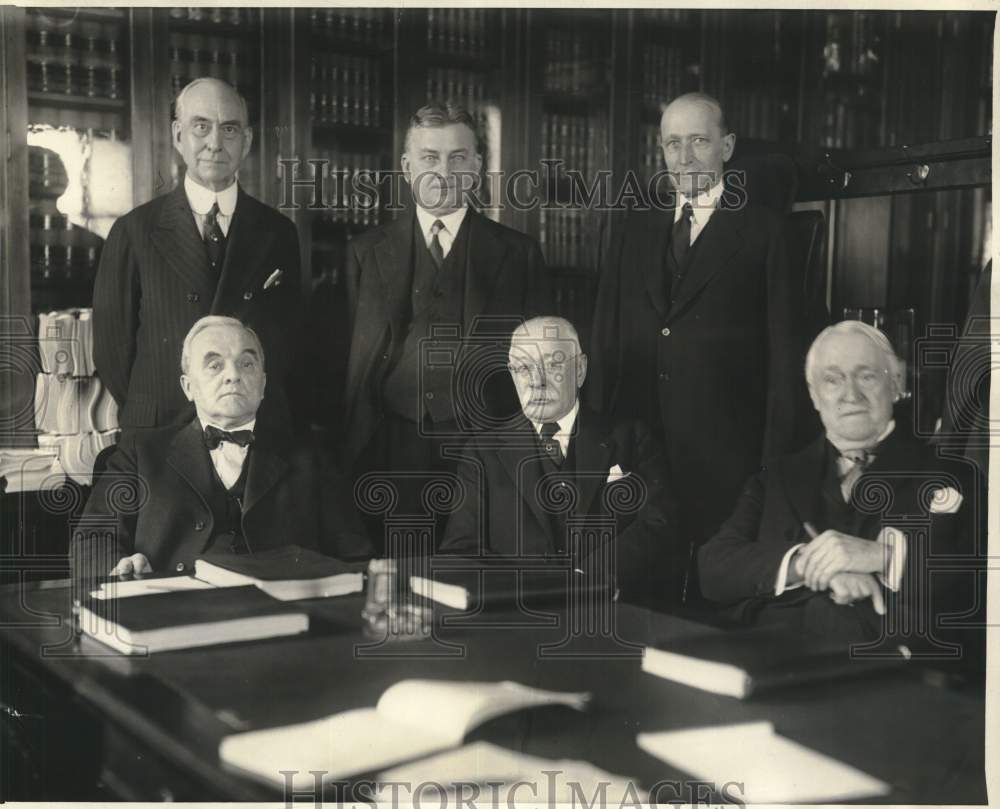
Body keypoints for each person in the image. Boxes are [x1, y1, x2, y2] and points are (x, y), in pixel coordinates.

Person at [587, 92, 813, 596]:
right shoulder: (632, 229)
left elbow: (785, 362)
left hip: (726, 457)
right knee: (639, 591)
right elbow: (604, 343)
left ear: (726, 147)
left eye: (698, 142)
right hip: (640, 452)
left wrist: (773, 466)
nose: (684, 157)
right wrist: (599, 441)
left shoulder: (767, 232)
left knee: (711, 592)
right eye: (673, 144)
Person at [343, 103, 551, 538]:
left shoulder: (519, 254)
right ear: (407, 167)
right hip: (391, 451)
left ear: (476, 167)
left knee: (473, 568)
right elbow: (345, 367)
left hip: (485, 453)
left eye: (458, 158)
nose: (444, 171)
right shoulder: (364, 253)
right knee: (397, 568)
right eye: (430, 157)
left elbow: (540, 368)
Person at [697, 321, 976, 644]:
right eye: (833, 380)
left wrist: (883, 557)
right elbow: (713, 567)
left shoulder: (952, 475)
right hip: (771, 651)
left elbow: (974, 583)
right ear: (814, 395)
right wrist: (807, 564)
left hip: (880, 664)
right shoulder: (778, 476)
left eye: (867, 376)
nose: (851, 394)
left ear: (896, 384)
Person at [73, 317, 371, 580]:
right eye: (215, 365)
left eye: (246, 363)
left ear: (263, 384)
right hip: (173, 610)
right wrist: (121, 568)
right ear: (188, 387)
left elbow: (356, 555)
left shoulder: (310, 457)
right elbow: (91, 540)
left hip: (278, 612)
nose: (233, 375)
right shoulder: (142, 452)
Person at [93, 78, 301, 431]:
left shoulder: (279, 232)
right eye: (201, 127)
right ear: (178, 136)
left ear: (247, 141)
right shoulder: (134, 230)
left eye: (229, 129)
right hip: (161, 434)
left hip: (254, 433)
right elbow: (112, 354)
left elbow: (289, 346)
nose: (215, 143)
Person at [440, 317, 677, 608]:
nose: (536, 381)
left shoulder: (631, 439)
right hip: (518, 613)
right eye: (523, 368)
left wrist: (590, 579)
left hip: (606, 610)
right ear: (512, 374)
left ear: (580, 370)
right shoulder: (481, 453)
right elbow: (461, 551)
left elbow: (660, 524)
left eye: (552, 365)